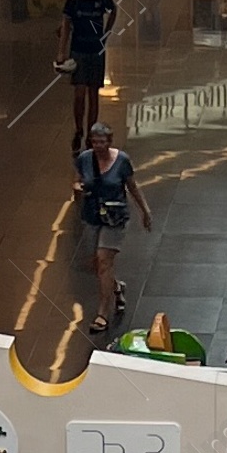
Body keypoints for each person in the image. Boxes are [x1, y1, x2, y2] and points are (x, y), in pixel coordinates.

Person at [75, 121, 150, 336]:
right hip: (92, 216)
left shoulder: (122, 161)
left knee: (104, 261)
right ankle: (116, 287)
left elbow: (132, 187)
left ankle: (102, 313)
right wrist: (79, 189)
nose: (98, 145)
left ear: (109, 142)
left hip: (114, 219)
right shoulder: (84, 159)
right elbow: (78, 181)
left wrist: (144, 211)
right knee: (97, 265)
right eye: (94, 141)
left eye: (102, 141)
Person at [57, 0, 116, 153]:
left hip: (96, 52)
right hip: (79, 52)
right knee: (79, 93)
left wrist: (107, 31)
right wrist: (61, 52)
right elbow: (66, 26)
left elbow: (113, 9)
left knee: (93, 94)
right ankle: (78, 129)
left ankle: (91, 134)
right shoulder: (73, 1)